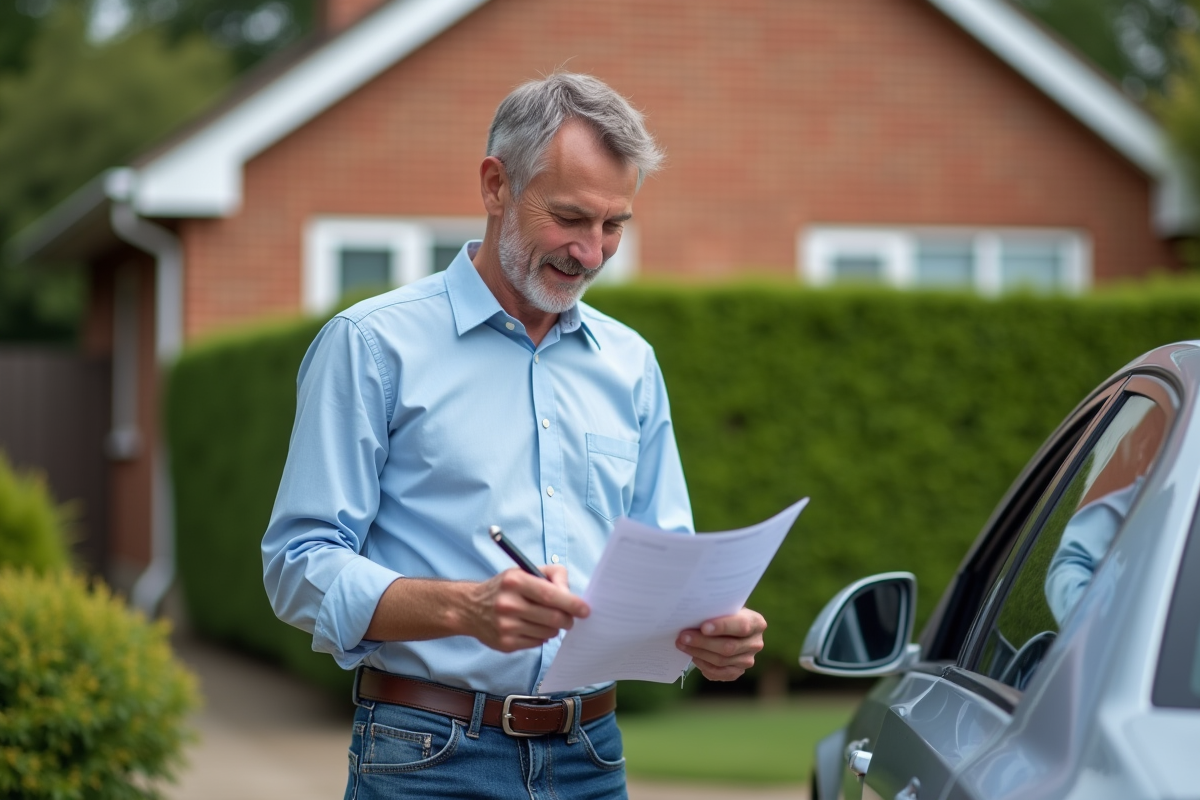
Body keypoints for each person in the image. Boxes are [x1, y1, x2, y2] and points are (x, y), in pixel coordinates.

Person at [261, 72, 768, 799]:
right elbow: (298, 565)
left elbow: (666, 561)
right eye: (569, 217)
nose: (590, 253)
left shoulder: (631, 364)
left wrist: (709, 629)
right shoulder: (371, 344)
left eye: (614, 225)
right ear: (496, 185)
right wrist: (463, 608)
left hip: (593, 756)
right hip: (427, 759)